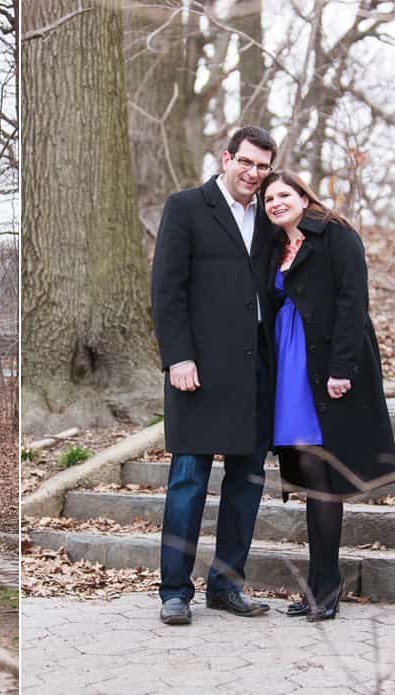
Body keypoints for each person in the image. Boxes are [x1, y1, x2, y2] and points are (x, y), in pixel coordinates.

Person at [151, 126, 278, 625]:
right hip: (197, 372)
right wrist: (177, 356)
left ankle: (226, 587)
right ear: (226, 158)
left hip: (254, 372)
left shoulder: (269, 215)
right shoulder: (186, 207)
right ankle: (174, 592)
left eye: (262, 166)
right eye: (246, 162)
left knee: (246, 482)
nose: (253, 173)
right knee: (187, 482)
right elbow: (167, 288)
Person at [261, 170, 395, 621]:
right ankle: (316, 588)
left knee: (323, 478)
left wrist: (343, 369)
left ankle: (327, 588)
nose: (275, 203)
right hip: (289, 368)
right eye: (268, 199)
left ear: (303, 196)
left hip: (323, 366)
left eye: (283, 194)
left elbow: (352, 301)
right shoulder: (276, 245)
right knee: (308, 477)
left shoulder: (336, 234)